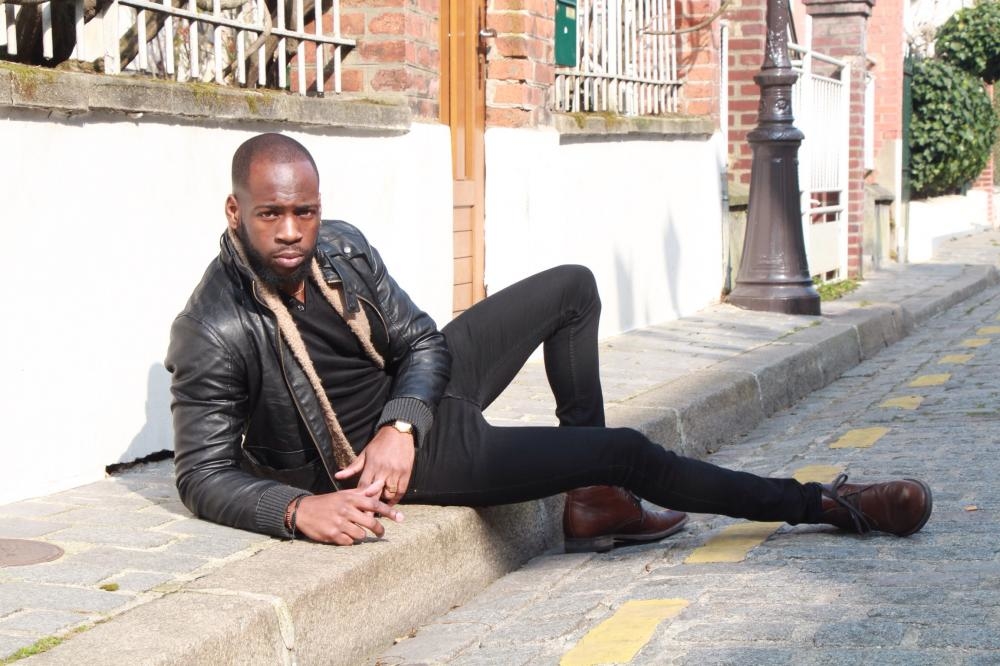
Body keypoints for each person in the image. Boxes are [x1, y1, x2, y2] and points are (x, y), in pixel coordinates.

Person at [165, 133, 932, 551]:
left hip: (412, 414)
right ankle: (825, 505)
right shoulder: (212, 328)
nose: (292, 231)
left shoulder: (342, 247)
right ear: (235, 211)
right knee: (624, 449)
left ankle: (593, 504)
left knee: (573, 287)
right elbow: (201, 474)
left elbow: (423, 343)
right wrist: (299, 510)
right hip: (395, 460)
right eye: (271, 215)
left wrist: (402, 420)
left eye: (303, 211)